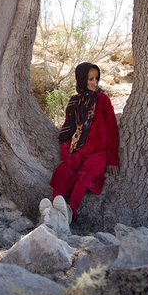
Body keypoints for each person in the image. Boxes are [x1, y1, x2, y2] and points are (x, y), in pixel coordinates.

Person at [43, 62, 119, 225]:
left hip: (99, 153)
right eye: (90, 79)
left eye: (96, 78)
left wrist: (112, 159)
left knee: (84, 177)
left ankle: (71, 211)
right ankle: (56, 210)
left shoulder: (103, 99)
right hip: (80, 150)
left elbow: (112, 129)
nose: (94, 83)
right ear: (81, 80)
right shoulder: (76, 101)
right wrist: (66, 149)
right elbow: (68, 127)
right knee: (62, 172)